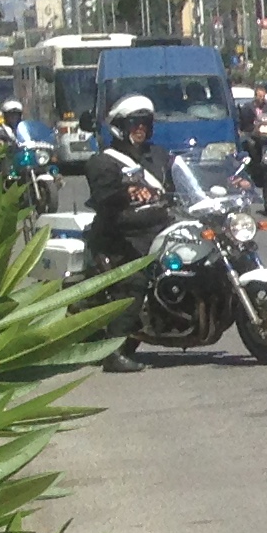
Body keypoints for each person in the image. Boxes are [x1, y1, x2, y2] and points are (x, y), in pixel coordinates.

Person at [83, 91, 173, 371]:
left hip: (160, 231)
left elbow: (182, 178)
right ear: (119, 127)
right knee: (134, 281)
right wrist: (125, 192)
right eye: (134, 123)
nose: (140, 128)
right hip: (118, 238)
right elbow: (102, 197)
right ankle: (114, 351)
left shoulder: (158, 156)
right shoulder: (103, 162)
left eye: (145, 122)